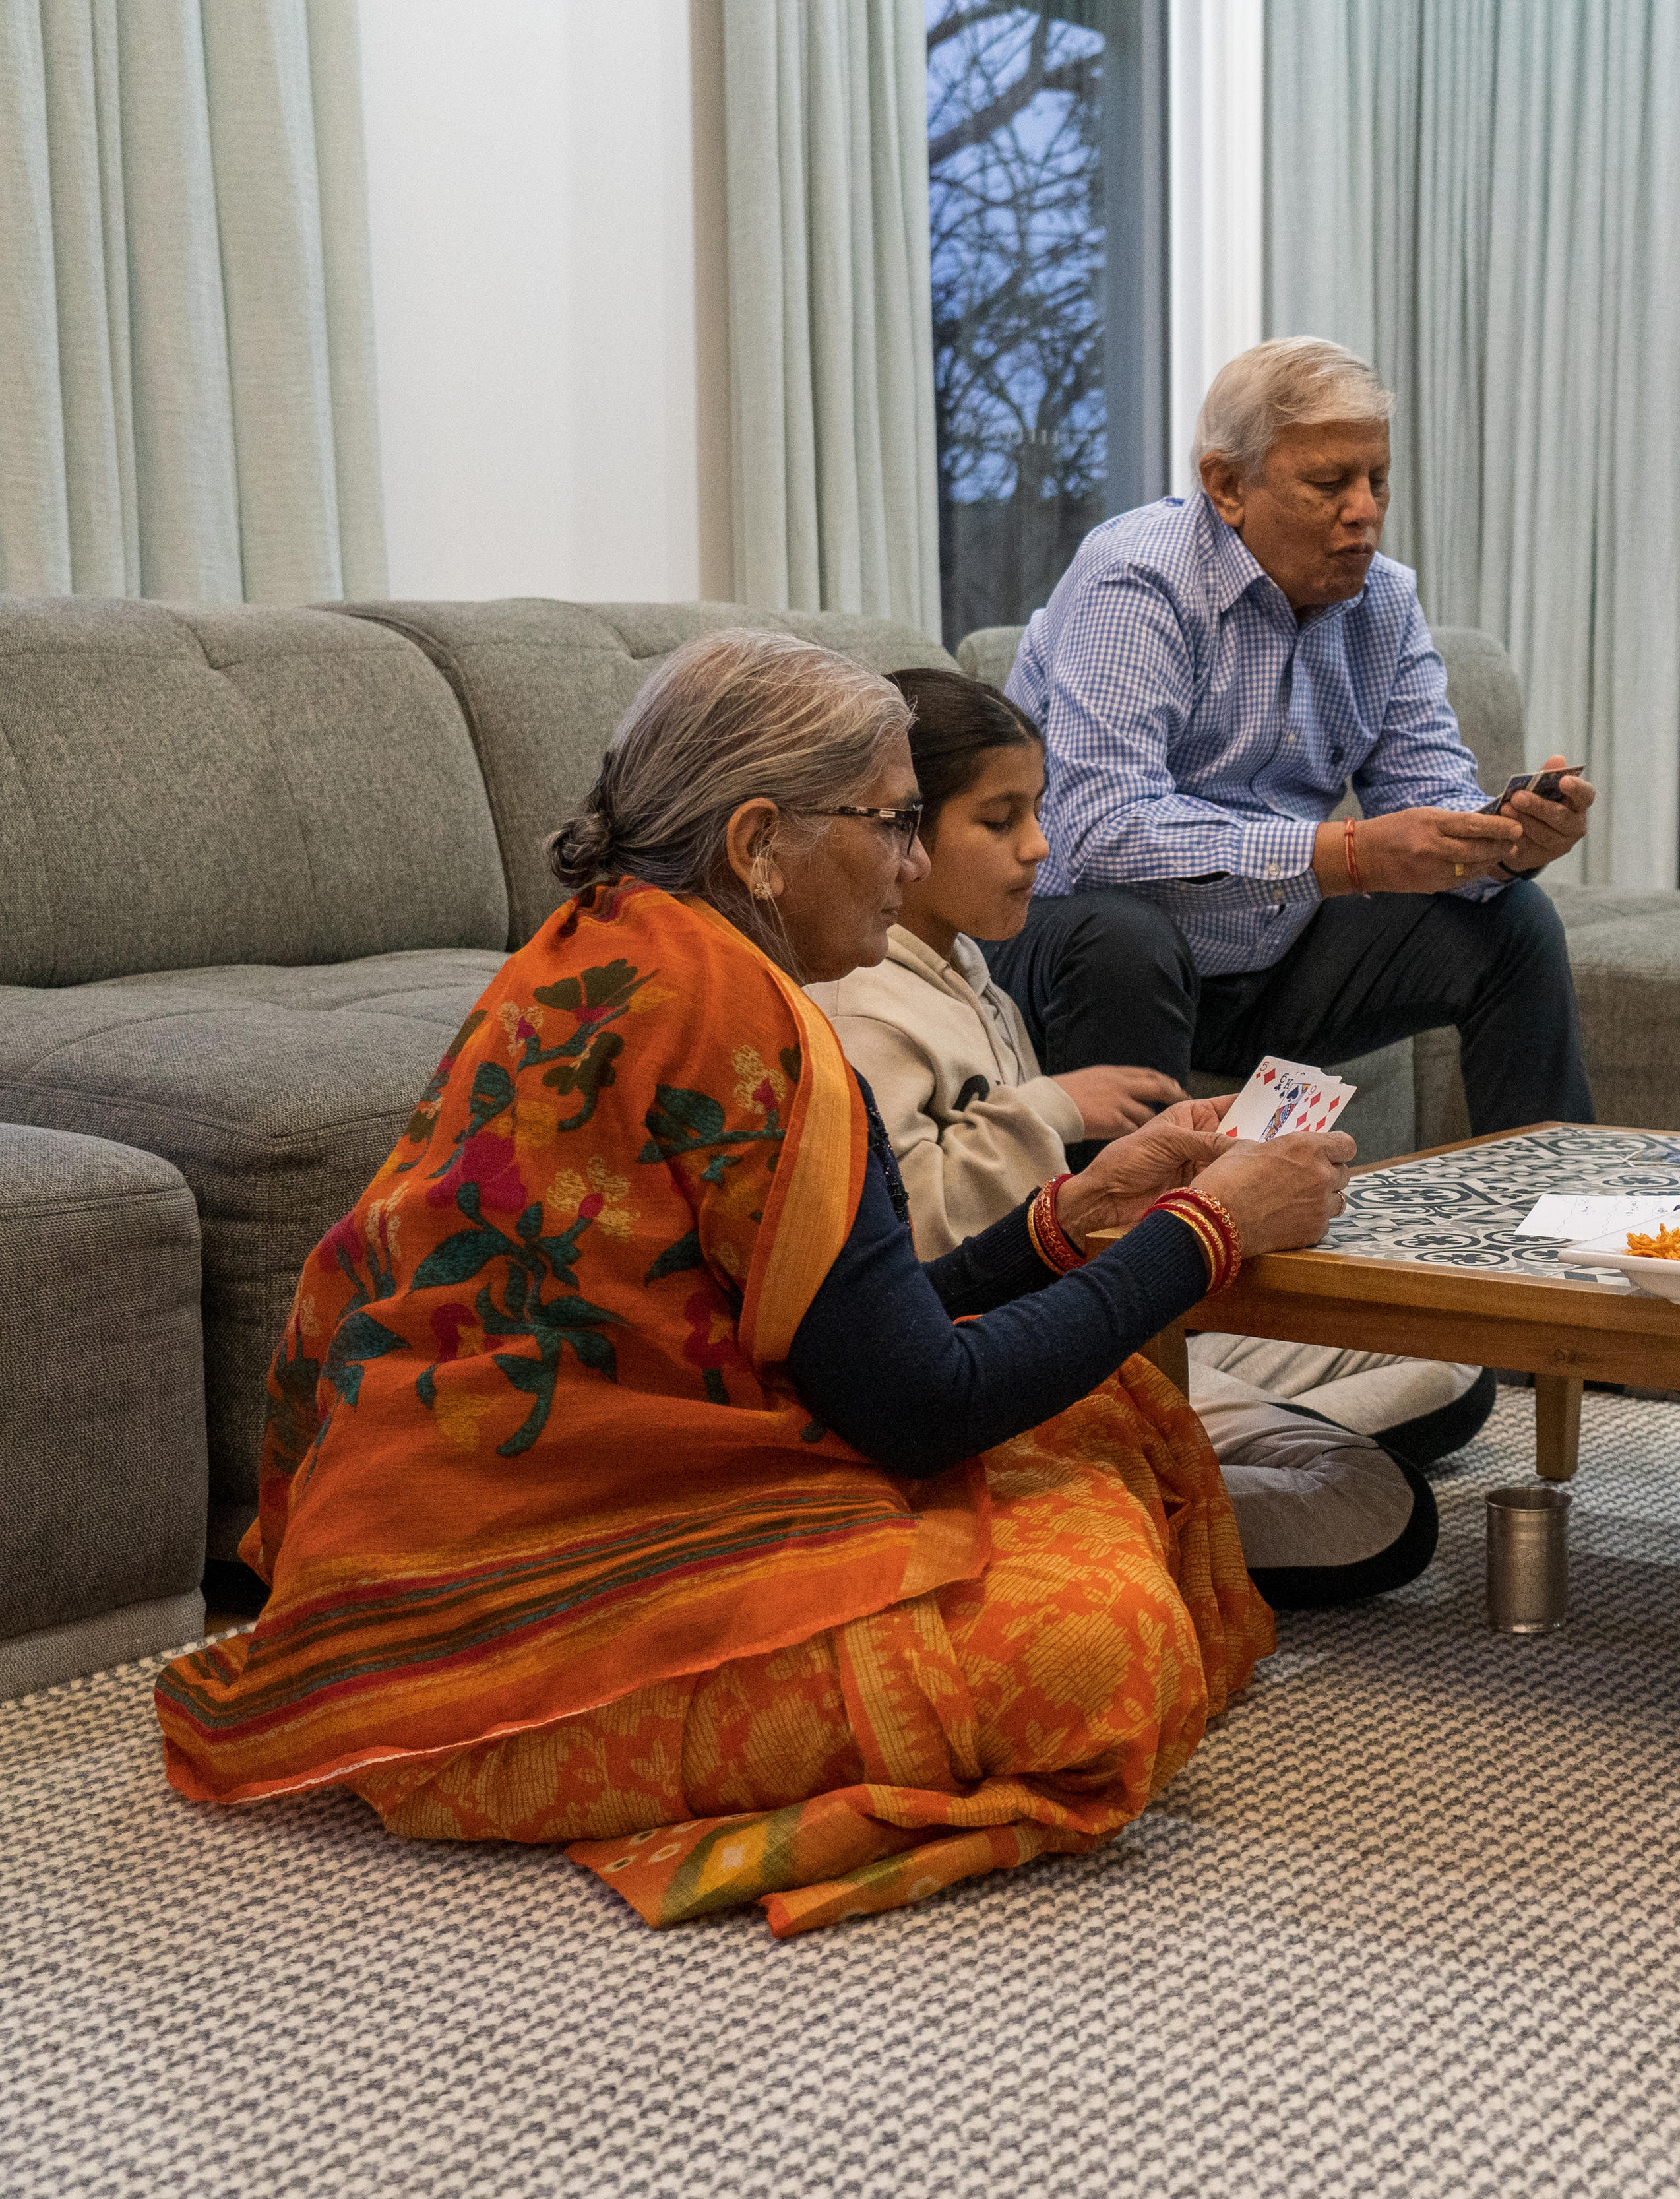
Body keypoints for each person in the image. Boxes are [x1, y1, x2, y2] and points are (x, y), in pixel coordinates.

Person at [157, 629, 1359, 1938]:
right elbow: (917, 1405)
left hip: (456, 1520)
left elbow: (843, 1330)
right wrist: (1199, 1233)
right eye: (894, 821)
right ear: (756, 844)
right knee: (1096, 1647)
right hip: (511, 1604)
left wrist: (1073, 1217)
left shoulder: (607, 947)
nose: (914, 860)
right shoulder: (748, 1029)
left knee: (1105, 1417)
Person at [808, 666, 1494, 1607]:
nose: (1041, 847)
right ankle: (1139, 1466)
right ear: (906, 832)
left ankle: (1191, 1438)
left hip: (1041, 1309)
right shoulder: (854, 997)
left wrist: (1125, 1176)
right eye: (999, 820)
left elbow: (1017, 1200)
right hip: (991, 1350)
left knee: (1452, 1368)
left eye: (1036, 812)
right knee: (1378, 1507)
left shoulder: (961, 963)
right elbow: (918, 1244)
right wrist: (1056, 1113)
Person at [989, 335, 1598, 1135]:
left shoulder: (1382, 599)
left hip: (1261, 960)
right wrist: (1345, 854)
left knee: (1511, 924)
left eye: (1377, 479)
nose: (1365, 509)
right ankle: (1124, 1246)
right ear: (1226, 485)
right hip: (1074, 950)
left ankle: (1543, 1228)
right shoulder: (1136, 579)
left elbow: (1428, 793)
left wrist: (1502, 842)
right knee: (1127, 938)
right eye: (1328, 483)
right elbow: (1102, 832)